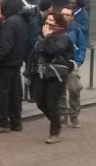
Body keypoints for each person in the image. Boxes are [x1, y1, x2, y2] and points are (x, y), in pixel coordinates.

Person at [27, 11, 74, 144]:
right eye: (47, 20)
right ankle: (56, 120)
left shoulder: (63, 37)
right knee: (40, 102)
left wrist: (47, 37)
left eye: (51, 21)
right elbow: (34, 54)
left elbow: (54, 50)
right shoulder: (41, 36)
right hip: (40, 73)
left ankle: (54, 132)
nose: (47, 23)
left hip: (56, 74)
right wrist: (29, 72)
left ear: (58, 23)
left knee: (52, 103)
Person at [0, 0, 28, 134]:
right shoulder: (21, 21)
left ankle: (2, 122)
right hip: (16, 63)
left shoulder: (9, 23)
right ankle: (16, 122)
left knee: (3, 94)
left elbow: (6, 45)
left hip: (6, 64)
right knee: (15, 94)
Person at [60, 5, 87, 128]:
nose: (64, 16)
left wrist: (79, 61)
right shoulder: (55, 27)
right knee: (59, 91)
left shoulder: (76, 29)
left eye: (67, 14)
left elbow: (82, 45)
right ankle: (62, 115)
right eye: (63, 14)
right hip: (58, 62)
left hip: (72, 63)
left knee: (74, 89)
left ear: (72, 17)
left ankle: (74, 115)